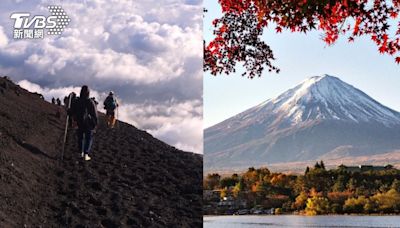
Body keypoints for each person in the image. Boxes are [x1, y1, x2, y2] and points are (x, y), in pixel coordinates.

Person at [70, 86, 98, 161]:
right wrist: (95, 124)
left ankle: (80, 152)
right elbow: (94, 114)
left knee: (80, 137)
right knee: (88, 138)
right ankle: (86, 154)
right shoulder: (90, 102)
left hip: (79, 122)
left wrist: (69, 112)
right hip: (88, 123)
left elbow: (72, 111)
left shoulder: (77, 101)